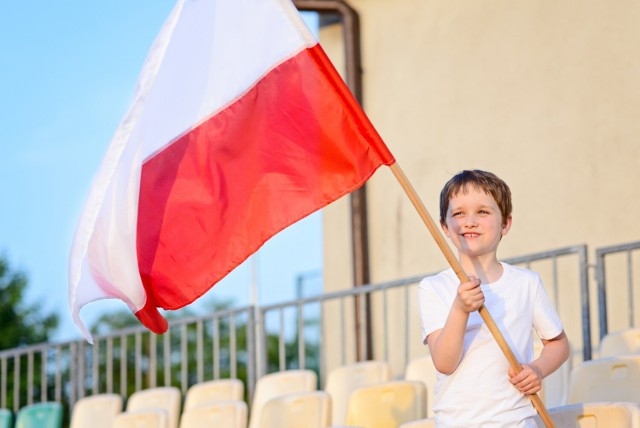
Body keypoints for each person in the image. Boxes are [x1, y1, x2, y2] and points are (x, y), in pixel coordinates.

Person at [418, 169, 570, 427]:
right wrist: (460, 309)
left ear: (506, 224)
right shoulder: (434, 287)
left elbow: (559, 344)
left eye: (483, 212)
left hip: (515, 421)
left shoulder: (526, 283)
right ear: (445, 226)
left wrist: (537, 369)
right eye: (458, 213)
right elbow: (444, 363)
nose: (470, 221)